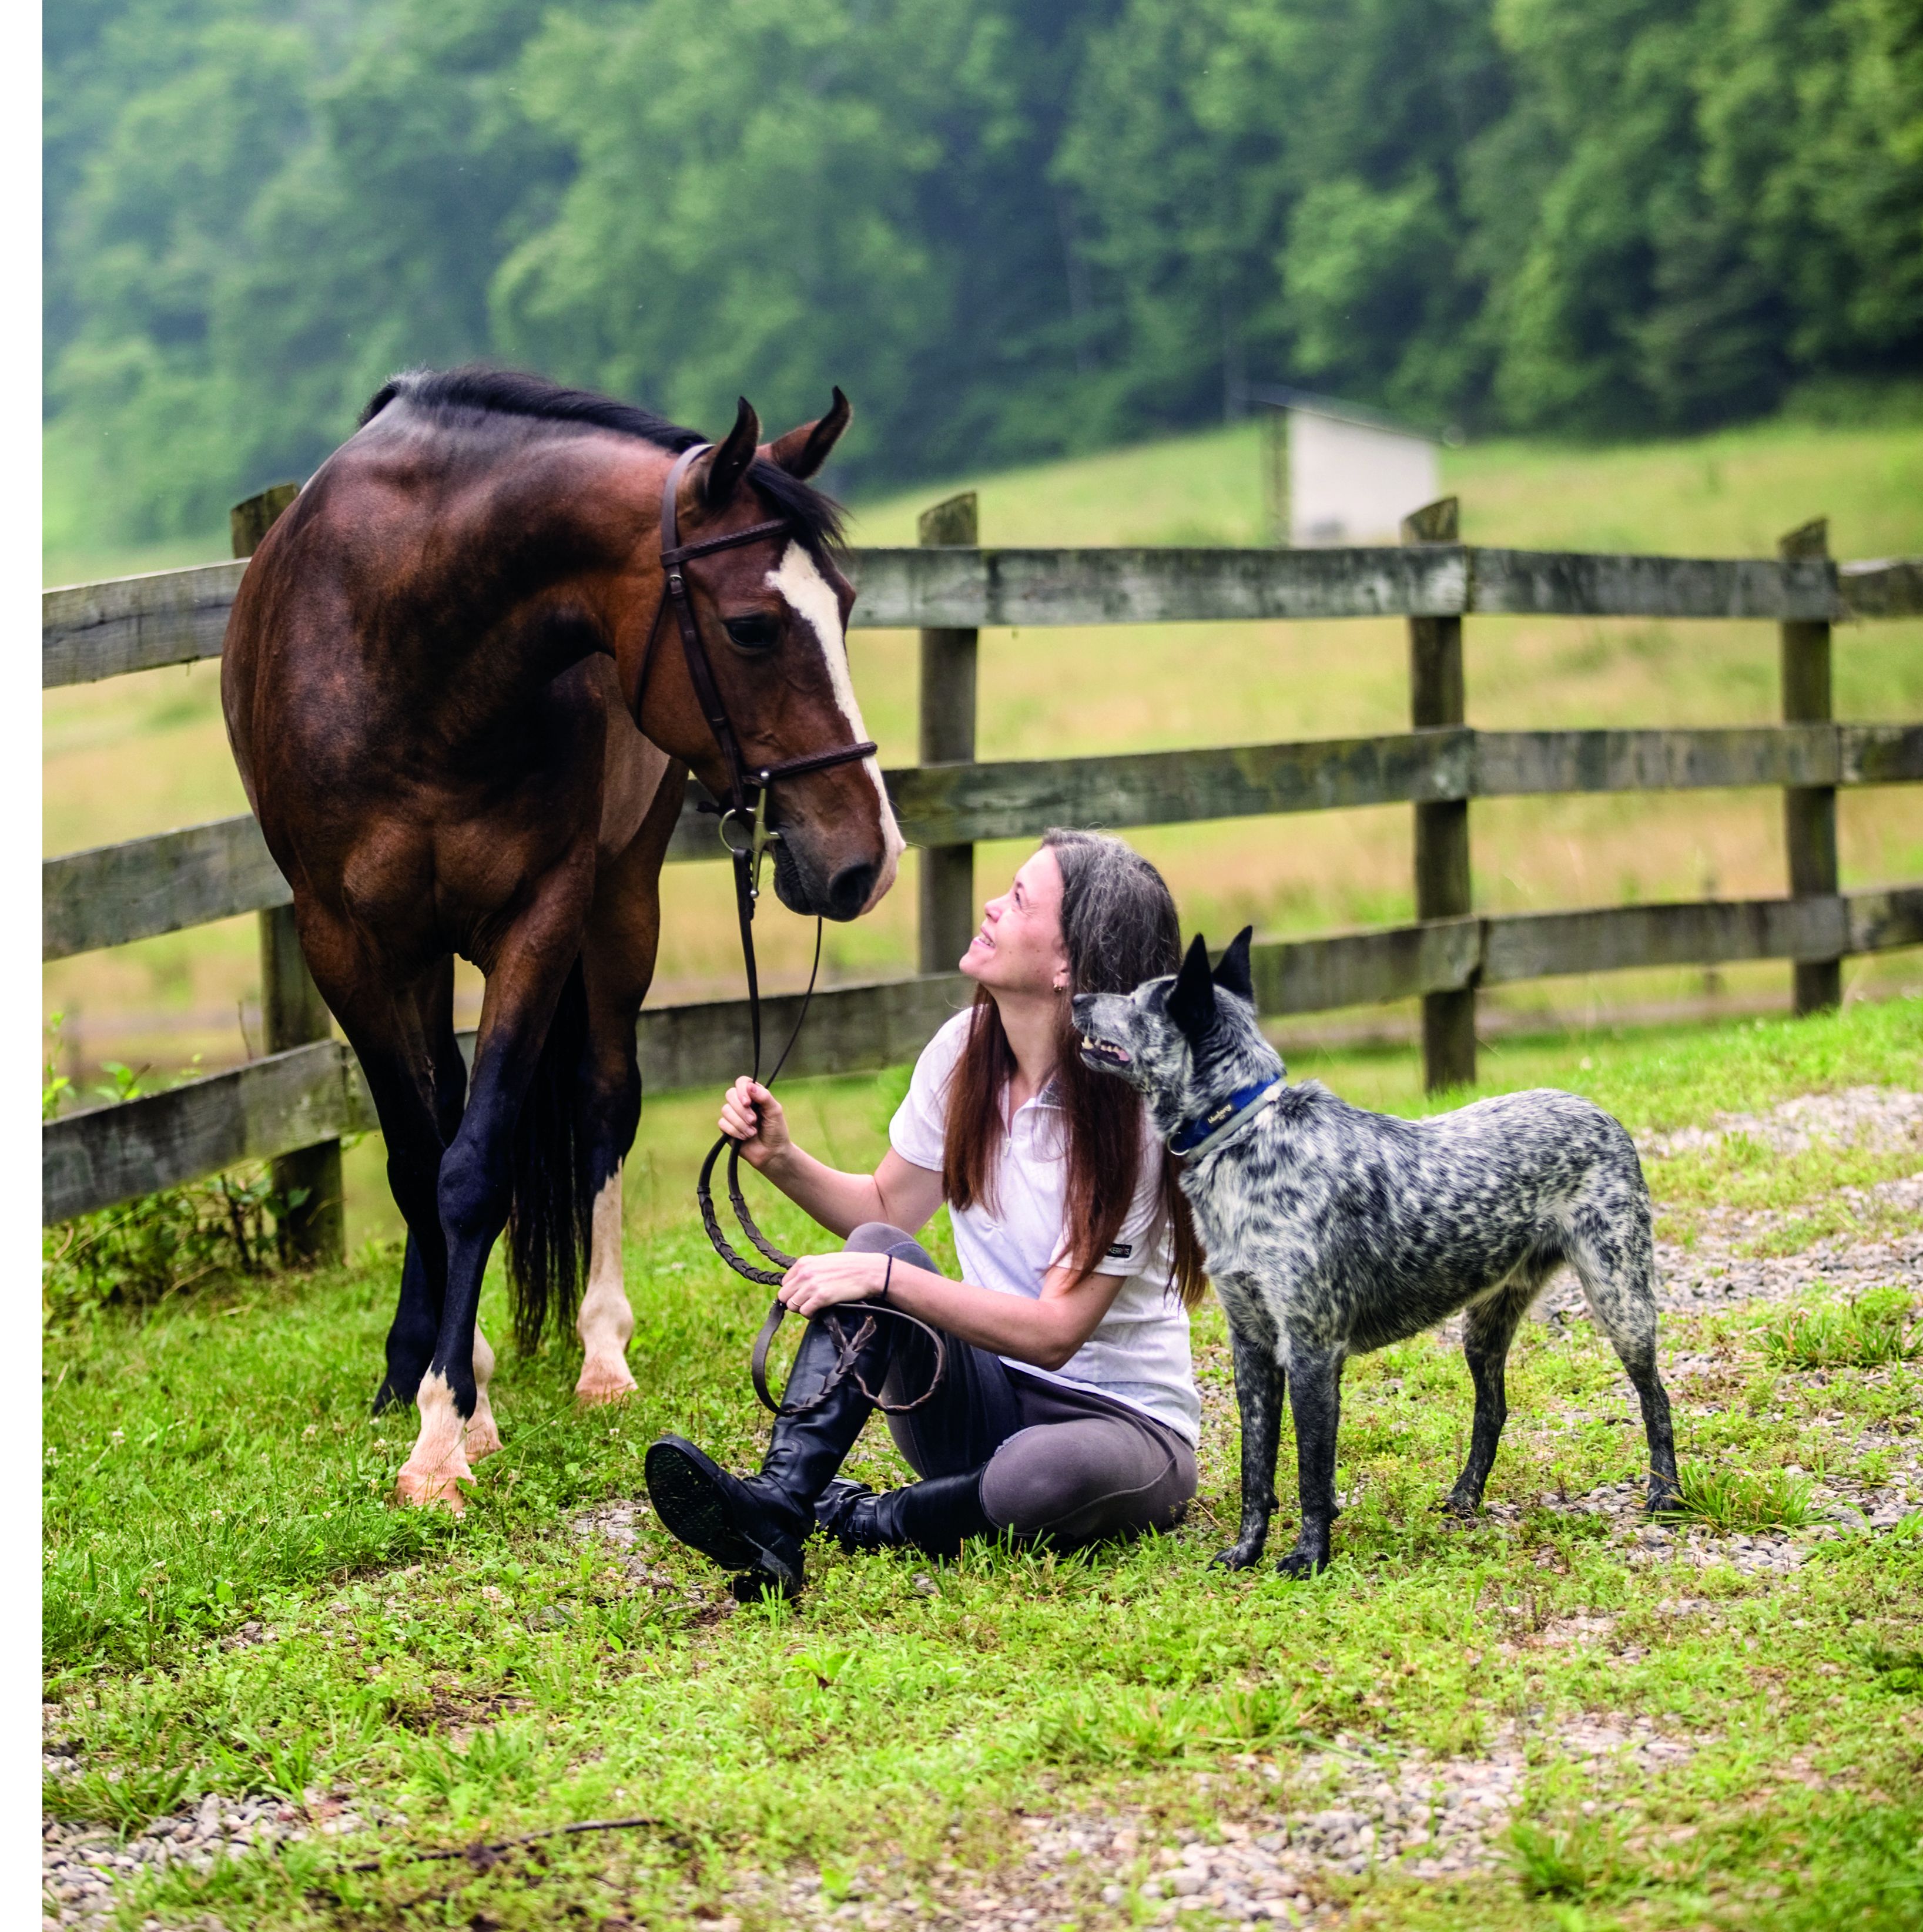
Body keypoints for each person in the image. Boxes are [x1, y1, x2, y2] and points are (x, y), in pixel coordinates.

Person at [644, 828, 1208, 1598]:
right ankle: (780, 1504)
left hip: (1123, 1429)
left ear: (1067, 965)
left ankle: (867, 1519)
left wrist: (886, 1278)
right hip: (977, 1395)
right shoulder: (964, 1051)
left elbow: (1055, 1334)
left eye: (1016, 900)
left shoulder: (1139, 1110)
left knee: (1033, 1476)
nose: (988, 906)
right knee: (881, 1244)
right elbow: (885, 1210)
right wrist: (781, 1158)